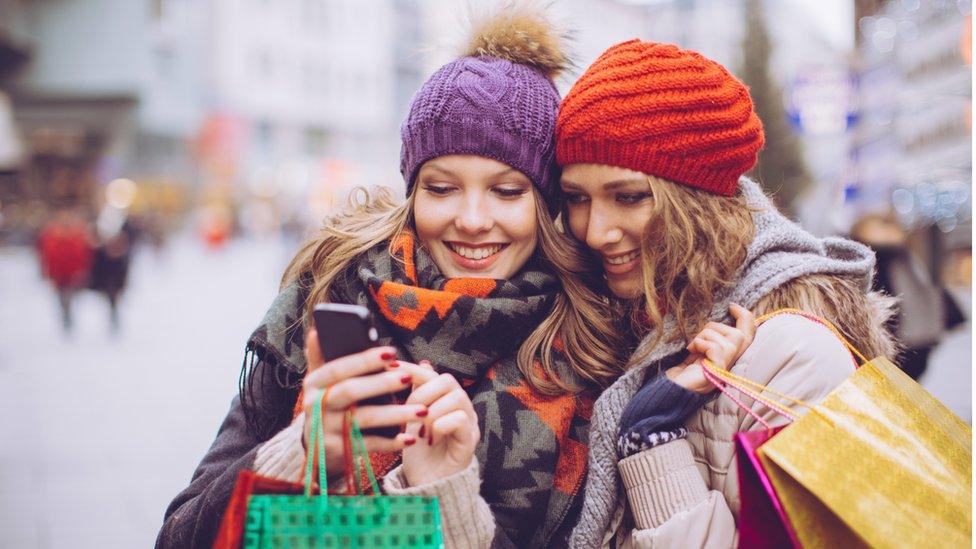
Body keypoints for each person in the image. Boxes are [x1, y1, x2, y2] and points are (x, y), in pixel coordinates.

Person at [157, 8, 623, 549]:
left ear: (546, 203)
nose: (471, 220)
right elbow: (179, 538)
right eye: (442, 188)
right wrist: (304, 454)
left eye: (507, 191)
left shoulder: (592, 344)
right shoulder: (332, 301)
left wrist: (441, 493)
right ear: (412, 193)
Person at [551, 40, 897, 547]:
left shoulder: (792, 353)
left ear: (696, 202)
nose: (596, 230)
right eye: (576, 199)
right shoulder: (600, 325)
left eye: (629, 197)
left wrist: (650, 437)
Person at [850, 212, 966, 380]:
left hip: (911, 337)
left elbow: (925, 291)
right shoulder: (886, 258)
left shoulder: (899, 257)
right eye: (884, 227)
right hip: (906, 337)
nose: (891, 232)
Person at [36, 207, 94, 333]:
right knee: (62, 297)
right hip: (58, 273)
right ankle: (66, 315)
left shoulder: (78, 234)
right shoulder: (52, 236)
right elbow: (47, 256)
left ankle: (68, 315)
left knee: (69, 295)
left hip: (73, 273)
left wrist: (83, 270)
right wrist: (48, 272)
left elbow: (84, 255)